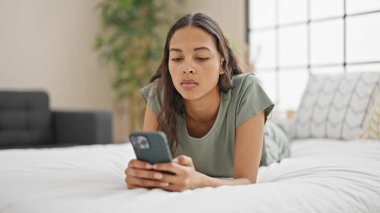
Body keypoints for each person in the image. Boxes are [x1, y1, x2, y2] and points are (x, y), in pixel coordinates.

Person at [125, 12, 289, 192]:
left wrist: (198, 181)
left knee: (280, 127)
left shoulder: (247, 90)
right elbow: (152, 170)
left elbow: (246, 181)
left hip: (271, 139)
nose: (187, 68)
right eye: (177, 59)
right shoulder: (158, 94)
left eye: (201, 57)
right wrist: (142, 176)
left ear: (222, 63)